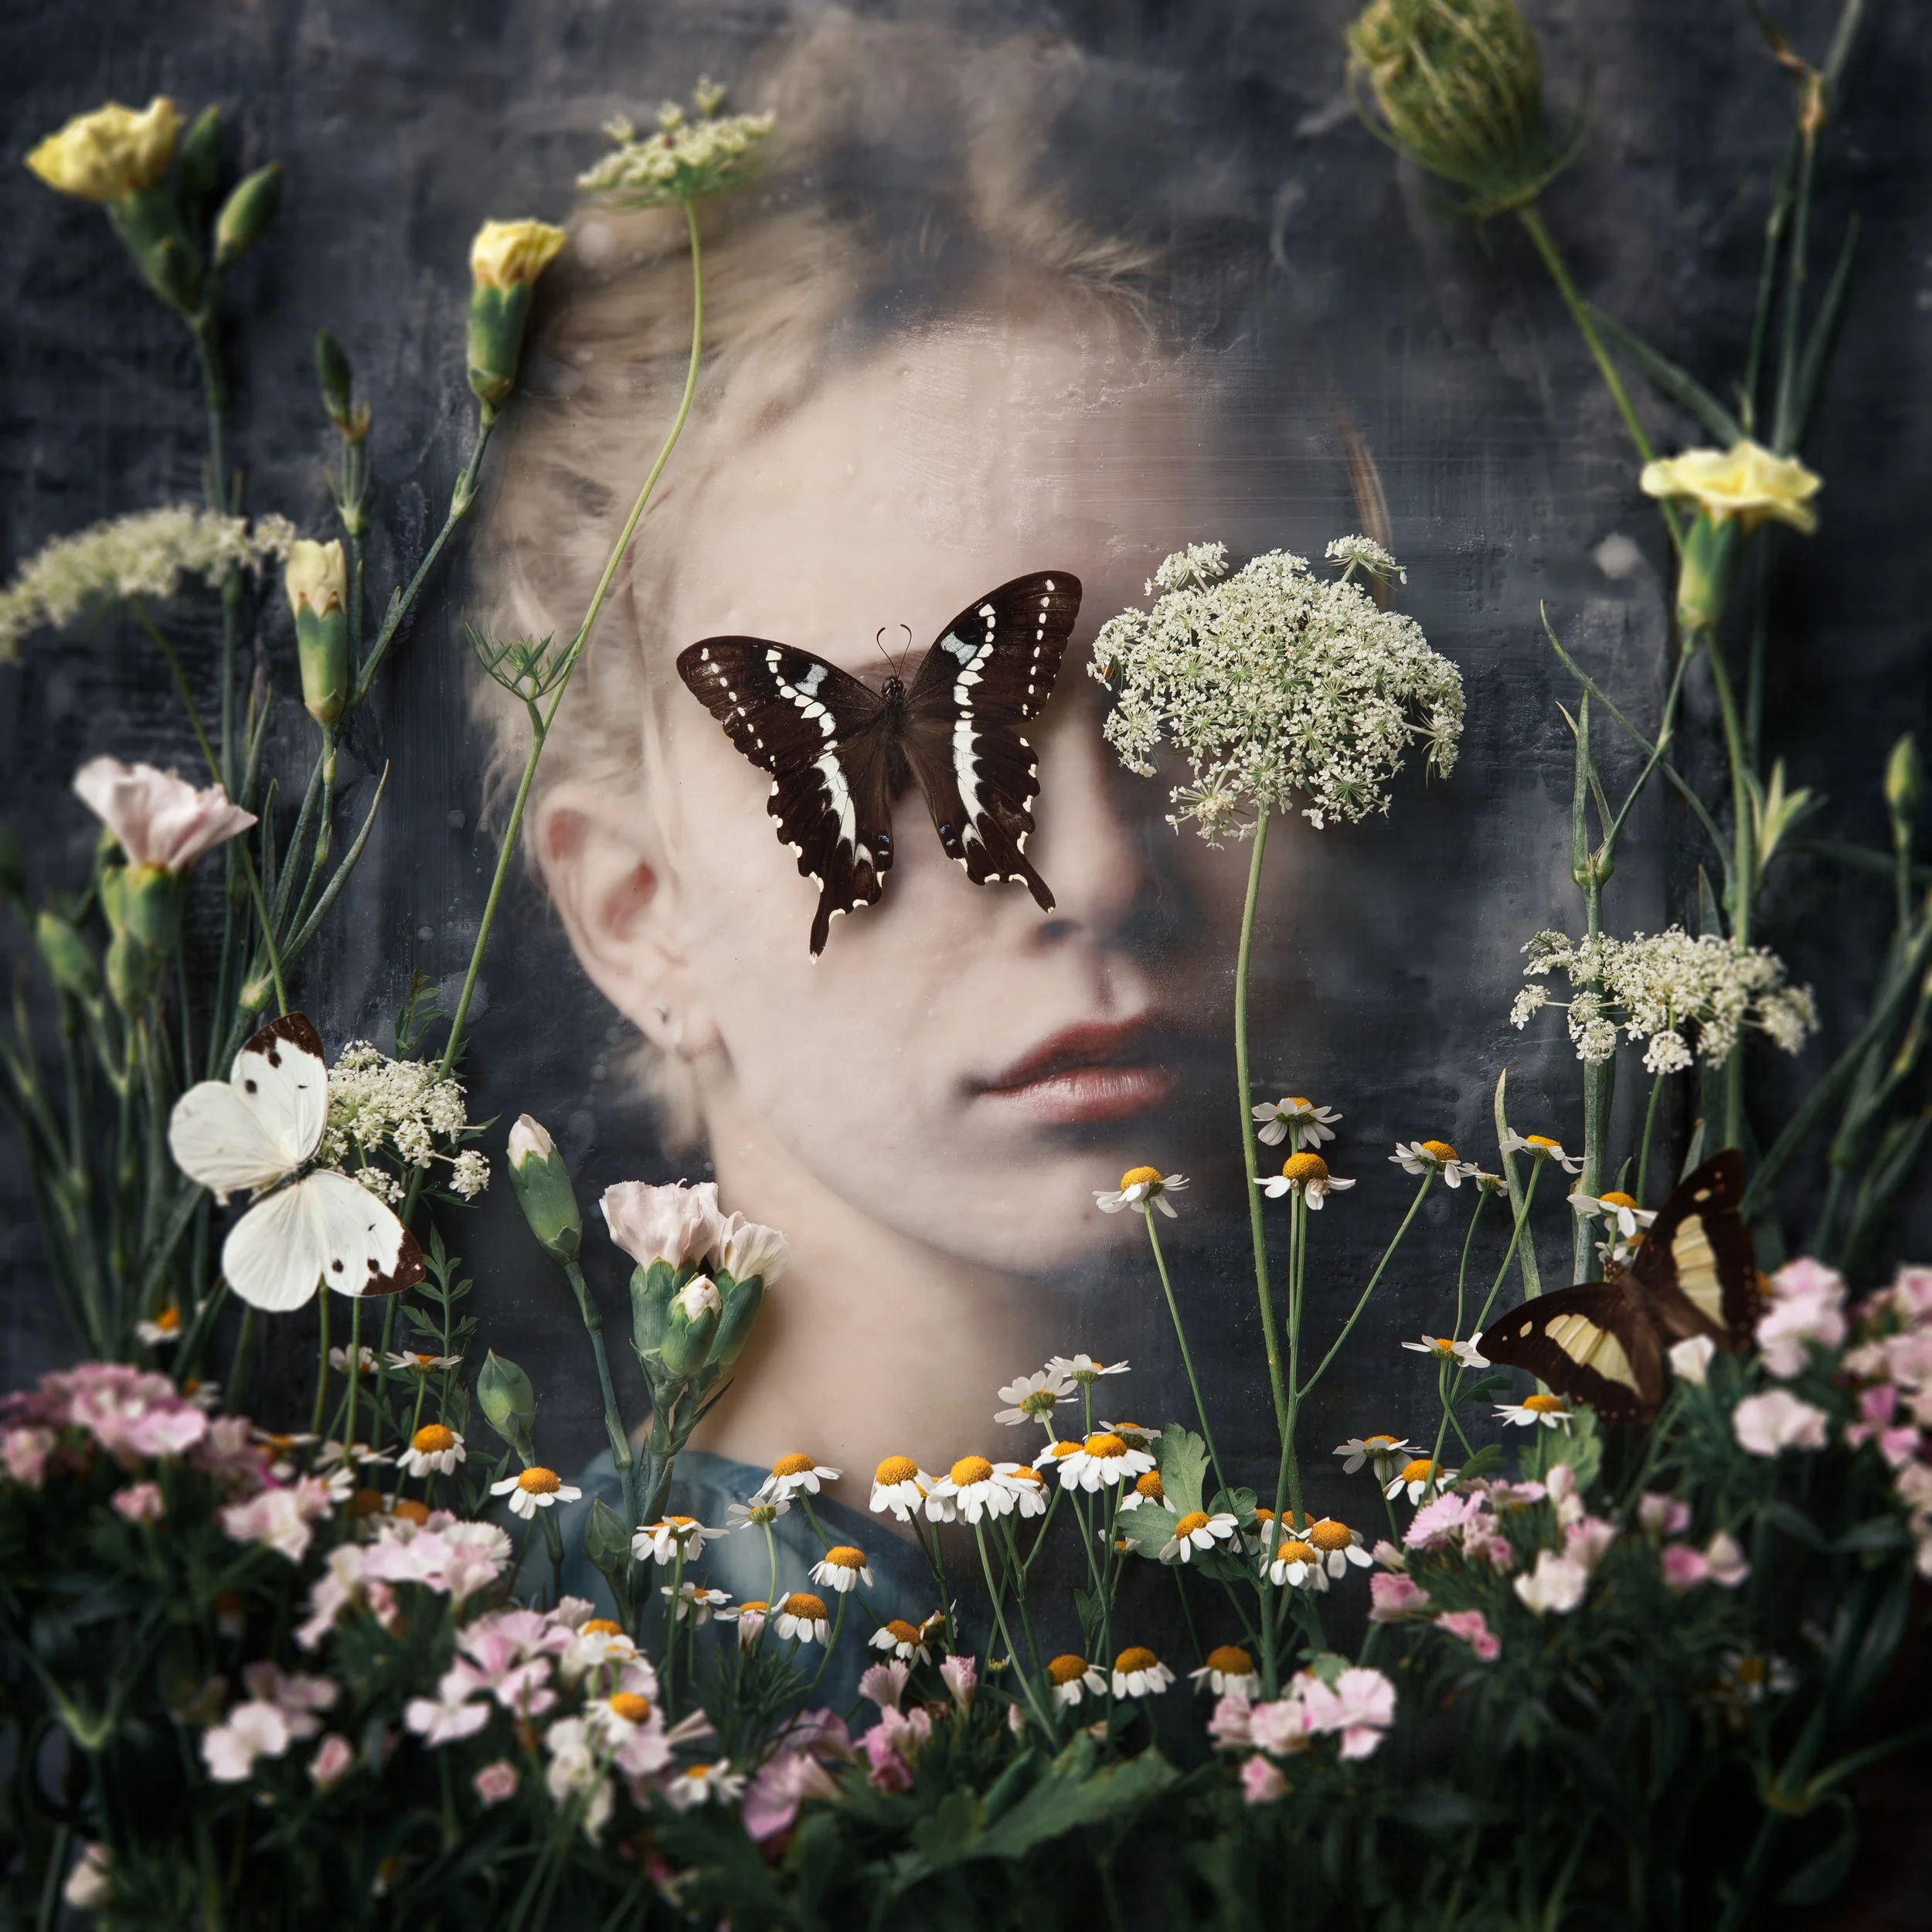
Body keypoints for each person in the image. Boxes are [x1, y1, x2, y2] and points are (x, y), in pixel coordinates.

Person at [473, 10, 1224, 1586]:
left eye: (1186, 698)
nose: (1094, 866)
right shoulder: (622, 1697)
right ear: (638, 910)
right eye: (936, 741)